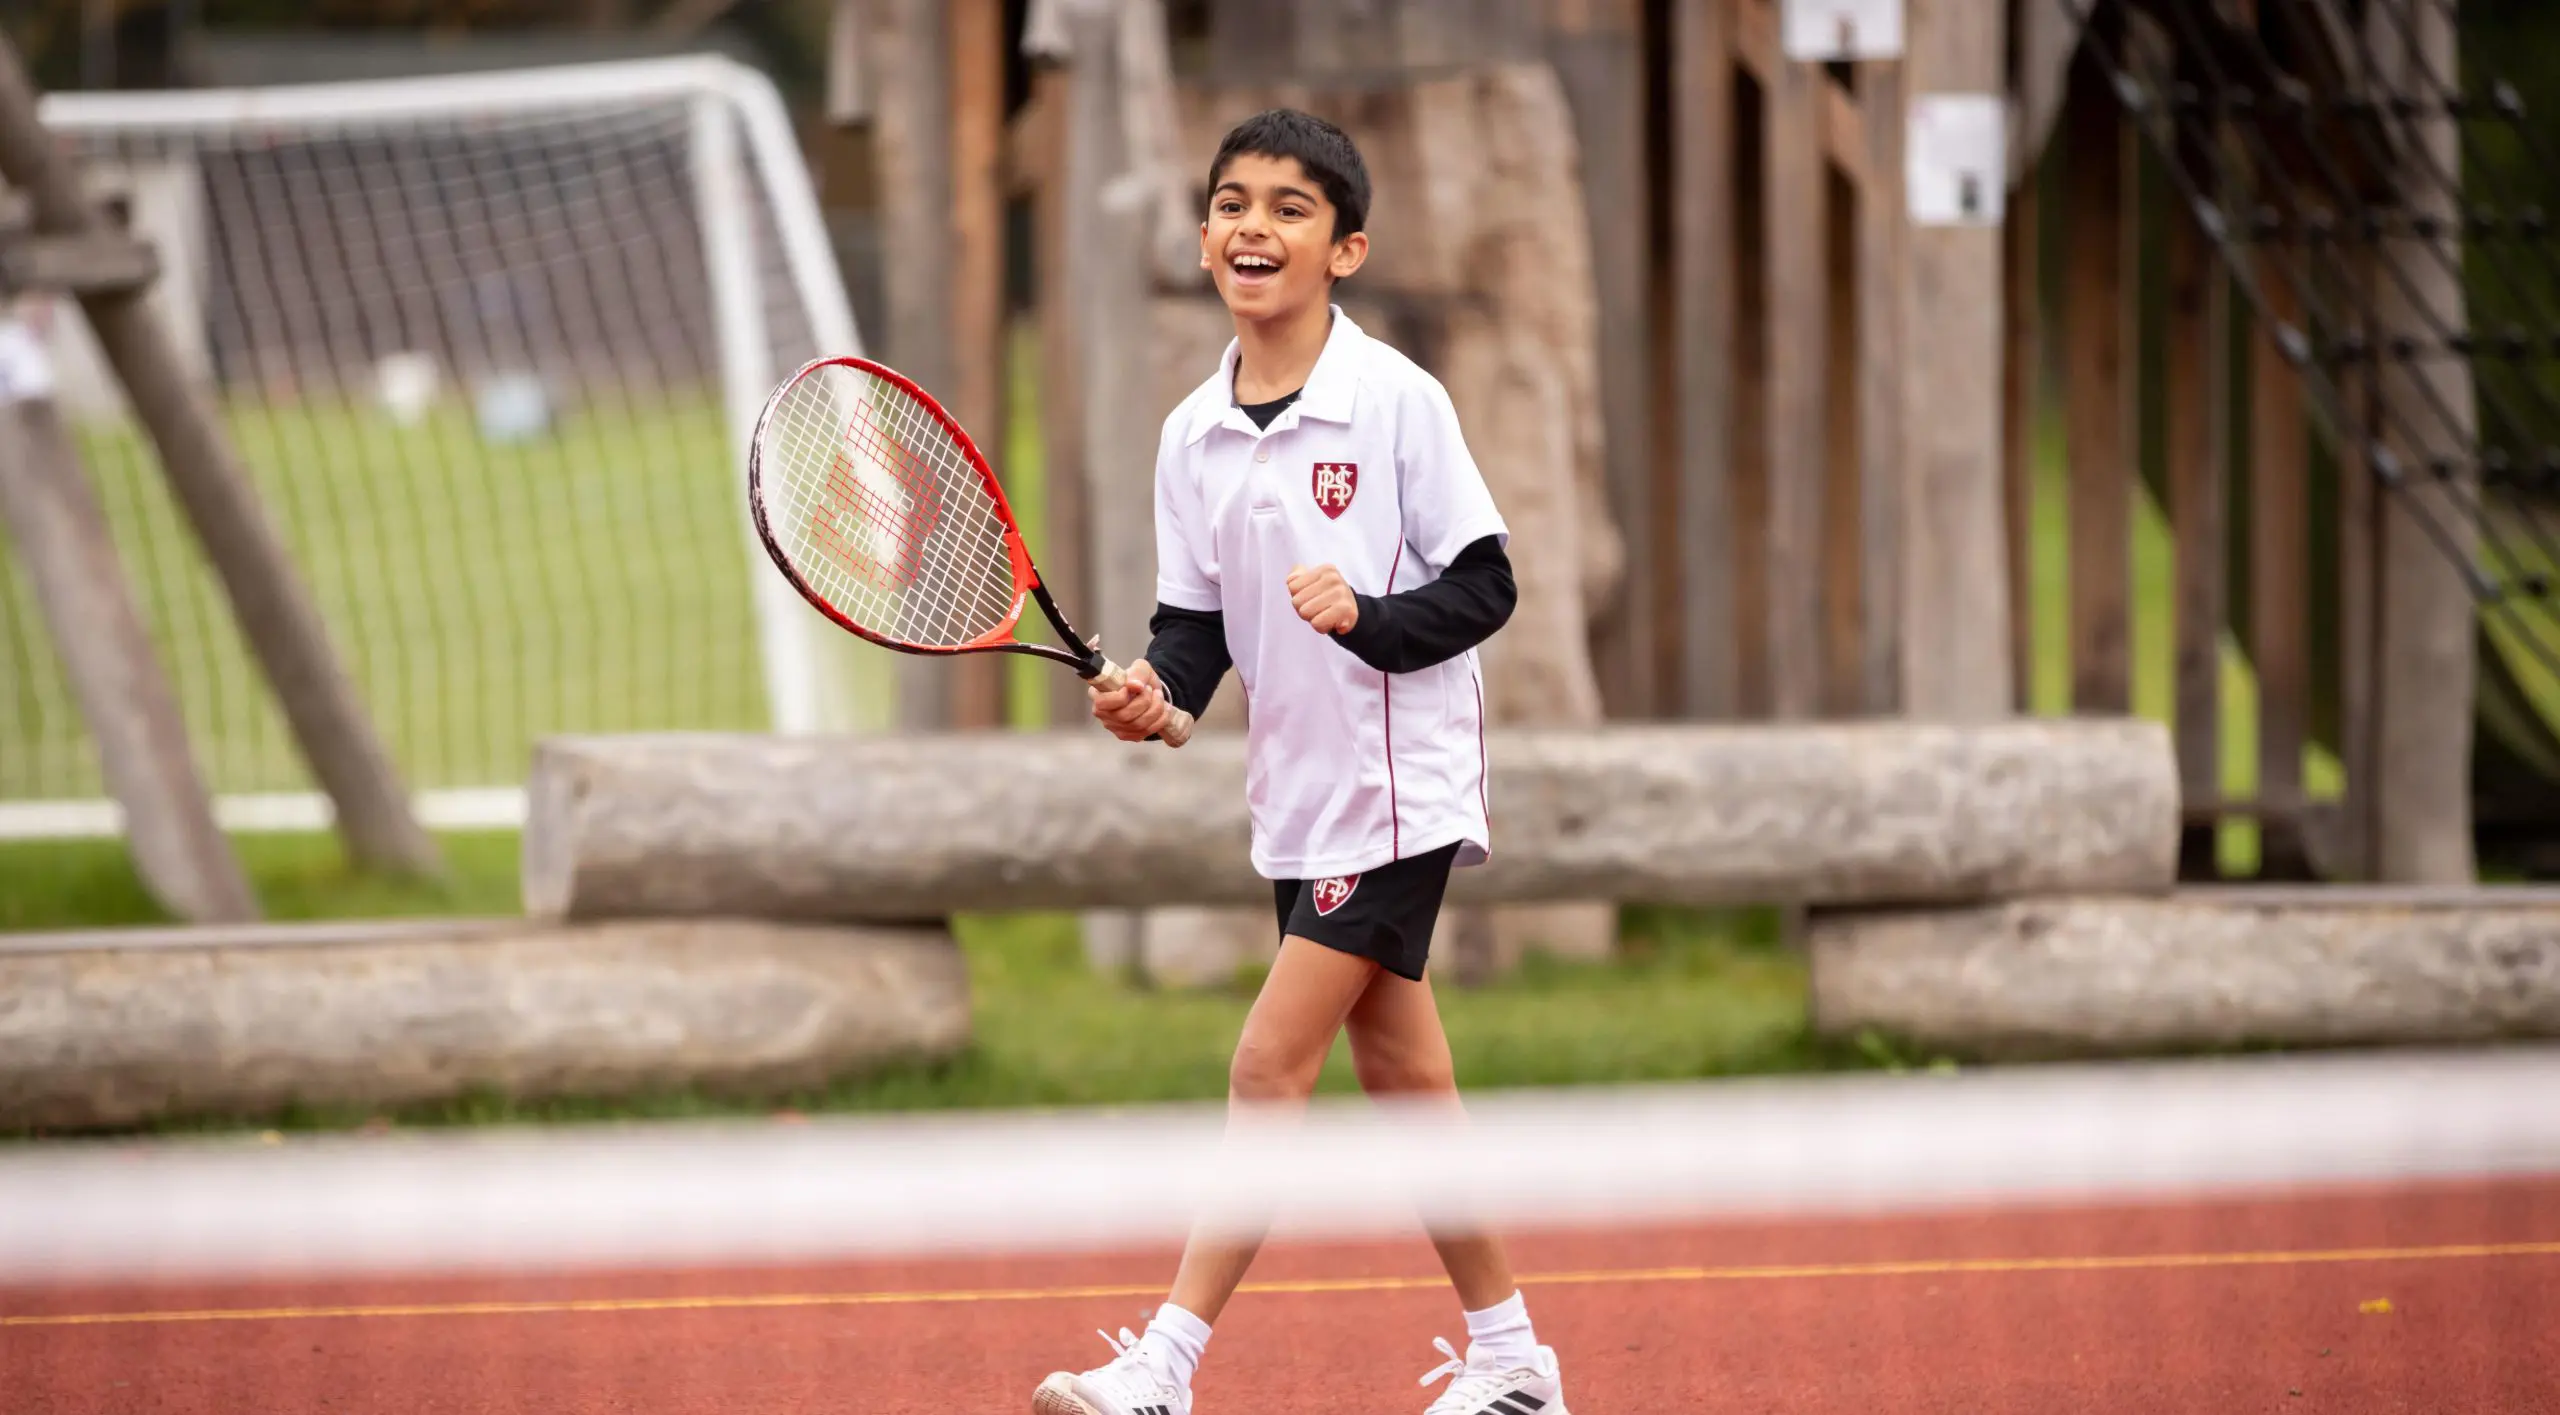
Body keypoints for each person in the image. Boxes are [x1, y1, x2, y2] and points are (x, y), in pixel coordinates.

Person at [1034, 108, 1568, 1415]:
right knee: (1404, 1072)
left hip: (1400, 789)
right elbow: (1195, 628)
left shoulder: (1396, 401)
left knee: (1268, 1065)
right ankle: (1514, 1361)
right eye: (1231, 204)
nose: (1252, 228)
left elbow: (1489, 583)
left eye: (1288, 207)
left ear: (1347, 247)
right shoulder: (1189, 434)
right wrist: (1159, 696)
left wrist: (1370, 620)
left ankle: (1163, 1366)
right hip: (1297, 794)